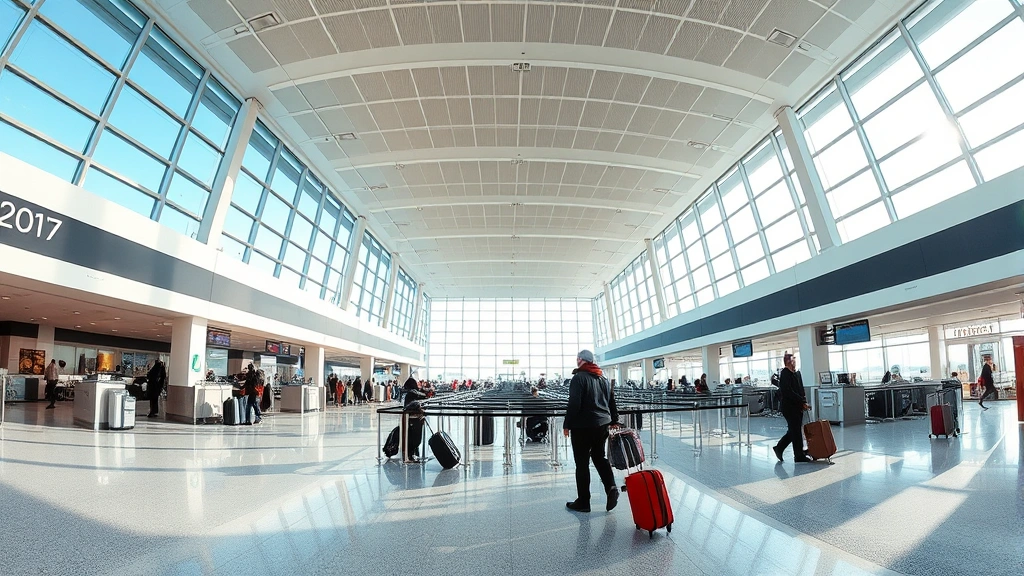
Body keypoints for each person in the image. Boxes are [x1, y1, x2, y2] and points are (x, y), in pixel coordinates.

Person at [562, 349, 619, 513]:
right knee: (599, 457)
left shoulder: (579, 378)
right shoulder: (603, 377)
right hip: (602, 424)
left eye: (577, 358)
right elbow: (611, 400)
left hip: (582, 426)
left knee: (581, 463)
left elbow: (574, 404)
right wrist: (614, 419)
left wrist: (567, 424)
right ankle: (611, 487)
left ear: (581, 360)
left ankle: (583, 501)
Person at [772, 353, 811, 463]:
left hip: (797, 405)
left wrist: (803, 401)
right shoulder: (785, 373)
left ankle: (780, 448)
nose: (795, 361)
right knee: (796, 431)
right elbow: (787, 391)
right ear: (789, 361)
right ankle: (798, 455)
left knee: (794, 430)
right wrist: (801, 400)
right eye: (794, 360)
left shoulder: (797, 373)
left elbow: (800, 389)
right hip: (789, 407)